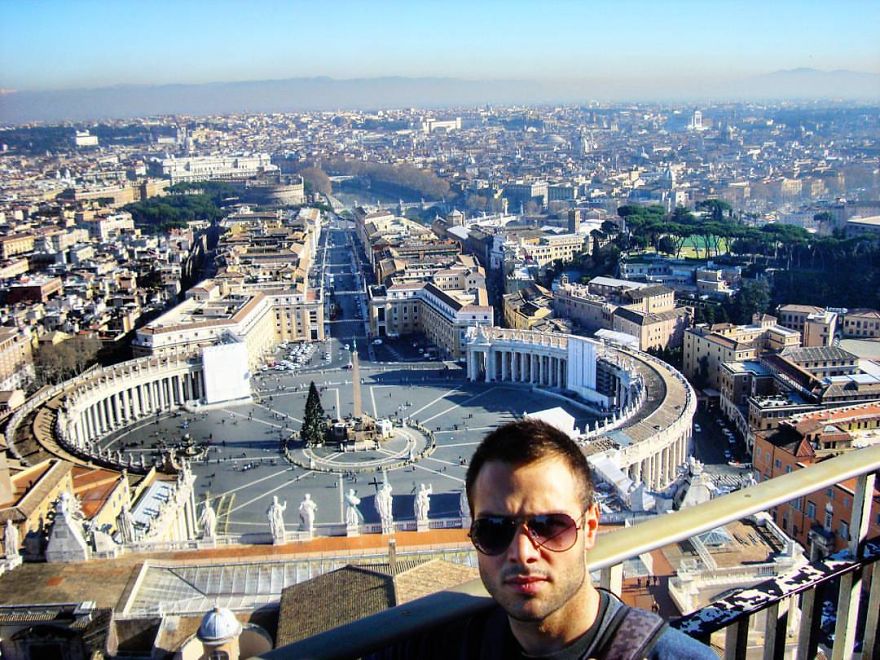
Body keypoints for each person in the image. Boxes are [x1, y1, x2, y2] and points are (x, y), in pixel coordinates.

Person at [369, 419, 716, 659]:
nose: (522, 553)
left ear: (590, 527)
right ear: (471, 533)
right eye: (494, 529)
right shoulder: (439, 646)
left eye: (549, 525)